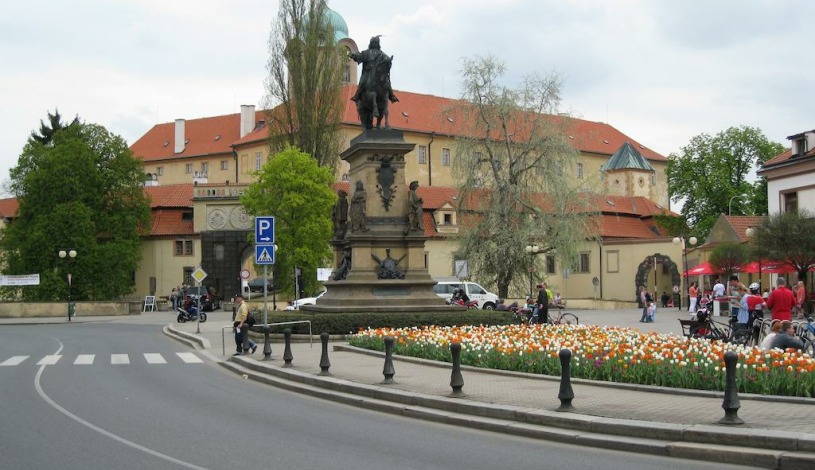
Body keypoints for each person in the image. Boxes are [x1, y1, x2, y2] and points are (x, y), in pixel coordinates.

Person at [349, 36, 399, 104]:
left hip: (378, 73)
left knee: (386, 81)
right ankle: (357, 95)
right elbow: (359, 57)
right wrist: (353, 56)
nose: (374, 43)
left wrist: (389, 61)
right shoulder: (366, 53)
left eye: (376, 42)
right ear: (371, 43)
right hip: (368, 72)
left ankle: (392, 95)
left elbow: (387, 59)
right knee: (363, 81)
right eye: (373, 42)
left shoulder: (381, 54)